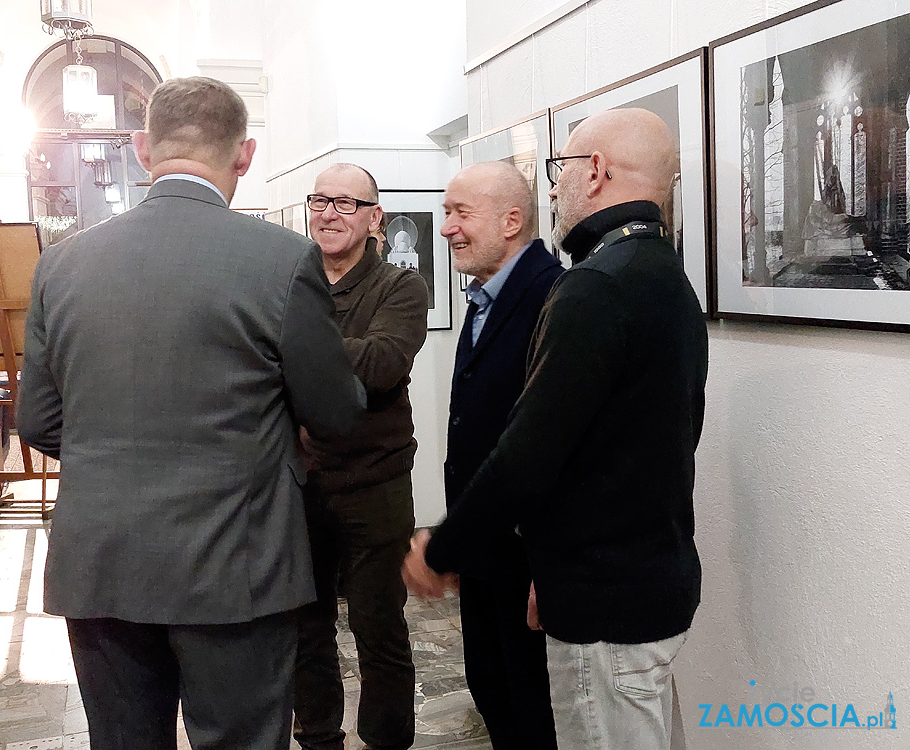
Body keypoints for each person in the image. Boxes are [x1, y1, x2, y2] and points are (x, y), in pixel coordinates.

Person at [17, 77, 365, 750]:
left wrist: (115, 452)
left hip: (102, 561)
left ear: (144, 149)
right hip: (237, 563)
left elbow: (36, 421)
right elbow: (336, 411)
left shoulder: (60, 264)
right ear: (245, 154)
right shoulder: (282, 258)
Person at [404, 108, 708, 750]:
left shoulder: (596, 287)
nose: (553, 188)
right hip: (638, 585)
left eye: (560, 169)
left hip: (607, 606)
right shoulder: (659, 274)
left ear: (596, 171)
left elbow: (529, 452)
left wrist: (441, 549)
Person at [294, 164, 428, 750]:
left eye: (346, 203)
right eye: (320, 201)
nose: (329, 213)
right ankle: (319, 738)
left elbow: (380, 366)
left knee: (379, 631)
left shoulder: (400, 288)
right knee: (307, 629)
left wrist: (292, 347)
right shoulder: (289, 283)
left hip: (374, 489)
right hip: (299, 484)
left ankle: (386, 742)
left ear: (375, 218)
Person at [439, 161, 562, 750]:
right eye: (445, 213)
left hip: (524, 556)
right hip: (485, 550)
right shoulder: (485, 296)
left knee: (532, 710)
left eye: (461, 213)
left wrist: (545, 563)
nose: (446, 228)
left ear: (512, 220)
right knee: (494, 692)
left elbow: (555, 444)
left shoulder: (549, 295)